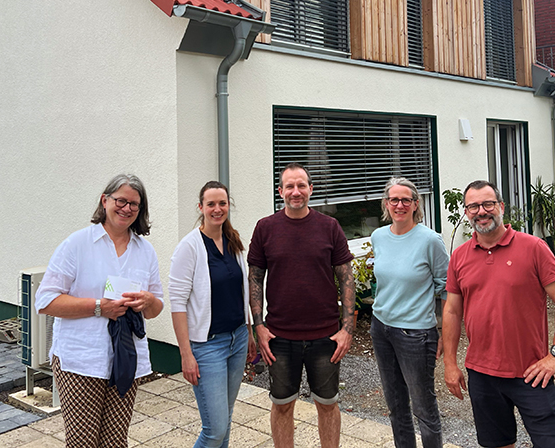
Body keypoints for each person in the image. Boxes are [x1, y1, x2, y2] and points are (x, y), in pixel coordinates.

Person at [443, 180, 555, 448]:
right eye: (473, 206)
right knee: (497, 444)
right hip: (481, 373)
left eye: (488, 204)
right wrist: (449, 363)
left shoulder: (533, 248)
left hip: (530, 372)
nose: (481, 211)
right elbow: (451, 310)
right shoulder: (459, 257)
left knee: (552, 443)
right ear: (467, 212)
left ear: (501, 207)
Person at [36, 174, 164, 448]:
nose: (126, 208)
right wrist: (98, 307)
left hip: (126, 359)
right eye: (121, 200)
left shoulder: (145, 251)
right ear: (105, 201)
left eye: (134, 204)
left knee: (115, 442)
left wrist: (147, 301)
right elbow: (45, 301)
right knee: (83, 442)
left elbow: (155, 309)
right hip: (81, 360)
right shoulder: (77, 244)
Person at [248, 162, 355, 448]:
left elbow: (346, 278)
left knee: (328, 404)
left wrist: (347, 328)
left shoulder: (329, 227)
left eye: (301, 185)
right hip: (280, 337)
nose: (296, 192)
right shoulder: (265, 228)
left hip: (326, 336)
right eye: (290, 186)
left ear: (311, 189)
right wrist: (259, 326)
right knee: (282, 405)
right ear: (280, 191)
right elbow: (255, 279)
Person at [169, 181, 257, 448]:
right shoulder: (190, 247)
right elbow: (177, 302)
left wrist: (249, 332)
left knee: (226, 421)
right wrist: (186, 354)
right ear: (201, 207)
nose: (217, 209)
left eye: (222, 203)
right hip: (208, 347)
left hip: (238, 339)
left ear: (228, 205)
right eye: (211, 204)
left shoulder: (233, 241)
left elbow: (241, 292)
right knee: (214, 430)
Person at [370, 178, 448, 448]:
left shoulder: (430, 240)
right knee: (395, 405)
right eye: (394, 200)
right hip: (381, 329)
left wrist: (445, 335)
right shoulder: (378, 236)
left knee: (424, 409)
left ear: (416, 204)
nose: (400, 205)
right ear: (386, 204)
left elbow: (447, 287)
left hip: (415, 334)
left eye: (406, 200)